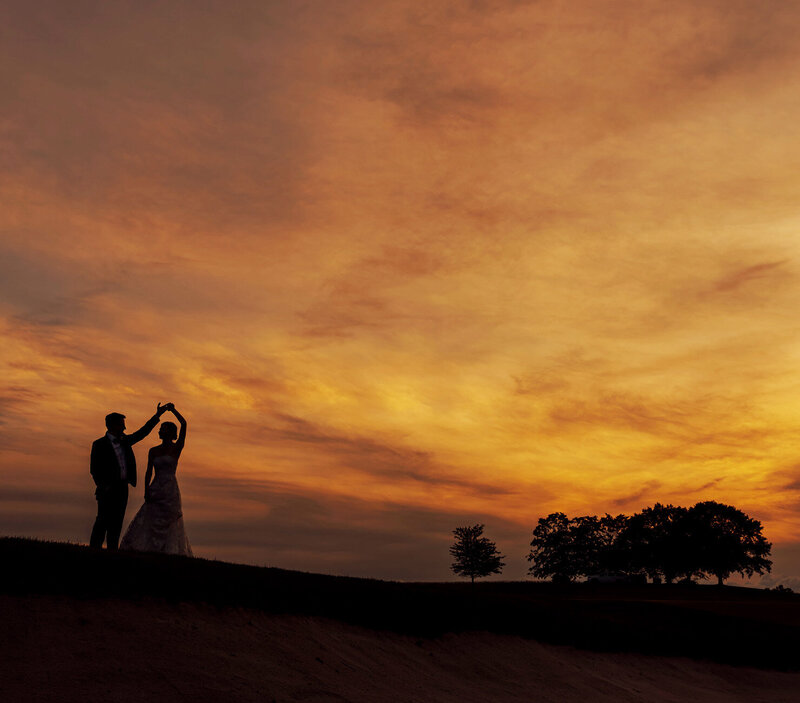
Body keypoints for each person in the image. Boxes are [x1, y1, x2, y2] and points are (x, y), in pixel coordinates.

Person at [90, 402, 171, 549]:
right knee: (102, 521)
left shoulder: (125, 441)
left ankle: (112, 550)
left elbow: (142, 433)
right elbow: (94, 469)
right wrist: (104, 486)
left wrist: (157, 415)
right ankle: (94, 550)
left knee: (117, 522)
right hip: (107, 489)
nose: (125, 428)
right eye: (122, 425)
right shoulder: (99, 444)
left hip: (122, 488)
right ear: (112, 426)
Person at [120, 403, 192, 556]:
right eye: (160, 429)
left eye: (163, 429)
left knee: (169, 518)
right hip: (156, 486)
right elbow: (148, 472)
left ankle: (167, 549)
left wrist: (173, 410)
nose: (160, 431)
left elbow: (184, 424)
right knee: (151, 516)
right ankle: (148, 547)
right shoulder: (153, 451)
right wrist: (146, 489)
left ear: (170, 433)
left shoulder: (176, 448)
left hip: (170, 489)